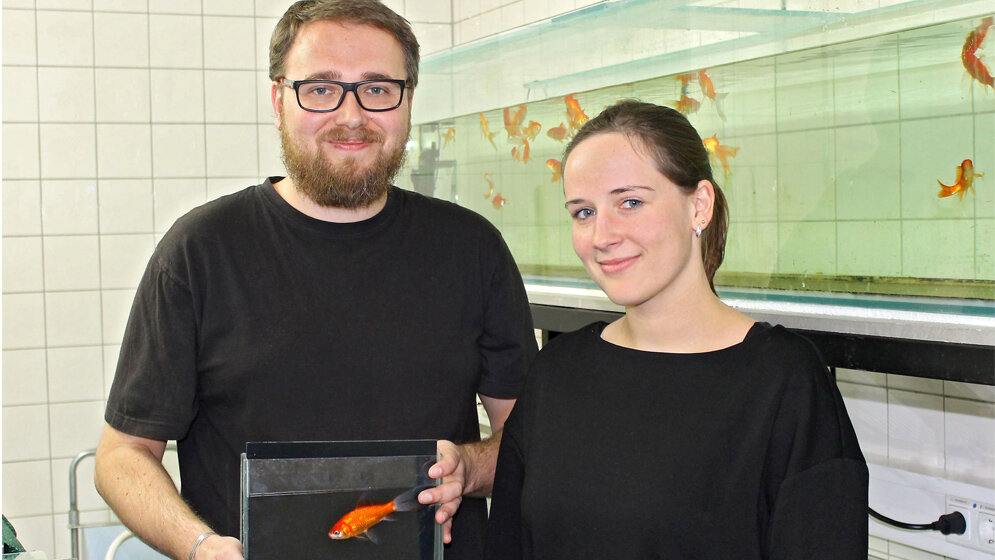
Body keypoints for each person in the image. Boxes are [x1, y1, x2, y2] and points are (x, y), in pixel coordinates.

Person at [93, 2, 537, 560]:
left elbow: (526, 442)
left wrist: (469, 469)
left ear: (407, 102)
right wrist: (200, 546)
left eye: (377, 89)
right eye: (321, 89)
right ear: (279, 100)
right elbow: (122, 456)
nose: (351, 115)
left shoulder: (472, 249)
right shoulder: (201, 251)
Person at [485, 100, 868, 559]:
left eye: (630, 202)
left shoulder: (783, 382)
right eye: (583, 212)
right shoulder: (556, 374)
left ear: (699, 206)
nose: (602, 236)